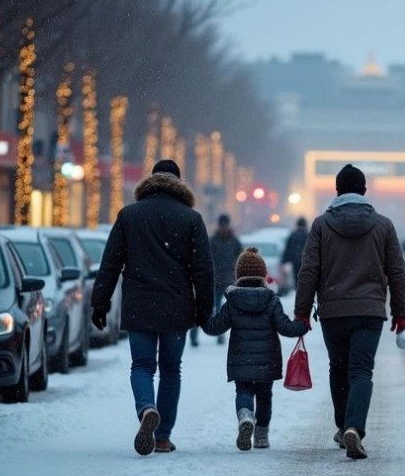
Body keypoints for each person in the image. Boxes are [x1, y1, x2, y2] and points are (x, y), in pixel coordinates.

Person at [91, 159, 214, 455]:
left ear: (150, 181)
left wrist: (100, 302)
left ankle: (146, 408)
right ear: (179, 184)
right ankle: (162, 436)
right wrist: (204, 309)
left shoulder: (129, 216)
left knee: (142, 365)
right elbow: (203, 269)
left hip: (139, 305)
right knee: (171, 370)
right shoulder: (191, 219)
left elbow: (110, 264)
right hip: (176, 305)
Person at [294, 164, 405, 460]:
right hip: (370, 311)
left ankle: (343, 425)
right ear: (364, 192)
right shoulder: (384, 225)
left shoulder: (320, 225)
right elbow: (396, 272)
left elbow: (309, 271)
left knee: (338, 369)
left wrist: (302, 312)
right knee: (361, 371)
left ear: (336, 191)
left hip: (333, 310)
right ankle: (354, 427)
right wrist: (401, 313)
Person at [201, 247, 308, 451]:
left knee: (244, 390)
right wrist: (301, 326)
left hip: (241, 361)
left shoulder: (232, 301)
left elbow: (216, 327)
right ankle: (260, 436)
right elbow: (285, 327)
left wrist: (202, 318)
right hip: (267, 362)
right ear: (263, 275)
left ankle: (245, 416)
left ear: (238, 275)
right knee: (265, 396)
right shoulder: (271, 300)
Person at [190, 214, 241, 347]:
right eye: (222, 225)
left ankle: (218, 335)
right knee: (207, 308)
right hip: (212, 280)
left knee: (218, 309)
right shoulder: (217, 240)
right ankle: (195, 336)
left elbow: (239, 258)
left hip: (223, 279)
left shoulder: (230, 241)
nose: (224, 227)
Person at [282, 217, 308, 290]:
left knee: (297, 279)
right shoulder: (308, 235)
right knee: (305, 279)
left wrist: (284, 260)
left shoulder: (293, 235)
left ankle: (298, 292)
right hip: (306, 261)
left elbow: (288, 248)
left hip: (295, 261)